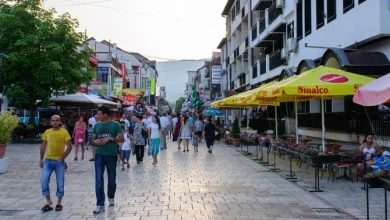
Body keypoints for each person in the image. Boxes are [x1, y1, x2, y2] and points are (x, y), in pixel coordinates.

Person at [91, 105, 124, 214]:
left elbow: (122, 139)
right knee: (99, 180)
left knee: (111, 179)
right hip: (99, 154)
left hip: (111, 155)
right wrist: (95, 142)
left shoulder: (115, 125)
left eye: (99, 114)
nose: (97, 116)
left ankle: (111, 196)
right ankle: (100, 204)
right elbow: (92, 140)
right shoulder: (97, 125)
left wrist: (110, 138)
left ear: (105, 114)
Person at [40, 115, 72, 212]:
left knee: (60, 182)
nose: (55, 122)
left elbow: (69, 147)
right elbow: (43, 146)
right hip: (48, 160)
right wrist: (41, 159)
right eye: (53, 120)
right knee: (44, 180)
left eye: (56, 120)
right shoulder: (47, 132)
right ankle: (48, 201)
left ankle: (59, 202)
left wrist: (62, 158)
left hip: (59, 161)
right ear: (50, 122)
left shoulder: (64, 132)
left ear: (60, 122)